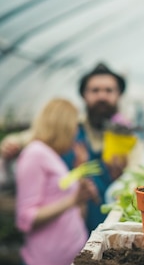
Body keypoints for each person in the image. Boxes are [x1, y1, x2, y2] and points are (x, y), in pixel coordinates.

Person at [1, 62, 135, 231]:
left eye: (109, 90)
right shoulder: (71, 128)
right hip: (62, 225)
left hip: (109, 225)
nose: (102, 96)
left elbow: (136, 175)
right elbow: (33, 136)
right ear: (84, 95)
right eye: (95, 90)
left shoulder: (127, 137)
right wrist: (12, 143)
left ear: (118, 95)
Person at [15, 98, 98, 265]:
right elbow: (26, 218)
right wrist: (73, 200)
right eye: (73, 126)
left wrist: (78, 185)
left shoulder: (51, 155)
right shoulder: (34, 155)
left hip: (66, 262)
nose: (75, 133)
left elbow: (64, 202)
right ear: (61, 125)